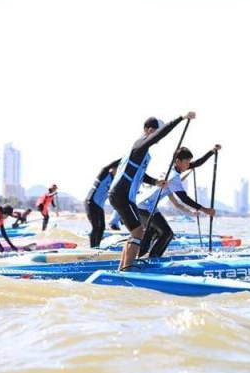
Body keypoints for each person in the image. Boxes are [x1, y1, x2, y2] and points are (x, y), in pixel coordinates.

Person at [108, 112, 195, 271]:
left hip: (126, 196)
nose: (157, 137)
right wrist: (181, 118)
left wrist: (156, 182)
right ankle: (128, 270)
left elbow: (140, 175)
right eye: (155, 131)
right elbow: (159, 135)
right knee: (138, 232)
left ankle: (123, 269)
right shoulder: (140, 145)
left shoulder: (143, 153)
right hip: (121, 194)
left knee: (136, 233)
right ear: (148, 130)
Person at [136, 145, 219, 258]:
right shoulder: (173, 176)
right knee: (167, 233)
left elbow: (196, 163)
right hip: (145, 207)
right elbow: (184, 198)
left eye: (189, 162)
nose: (188, 165)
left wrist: (212, 151)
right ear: (178, 161)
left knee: (153, 231)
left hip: (140, 204)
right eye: (186, 162)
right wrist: (205, 210)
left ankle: (139, 256)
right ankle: (153, 259)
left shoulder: (171, 168)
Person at [85, 159, 121, 248]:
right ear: (113, 168)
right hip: (91, 202)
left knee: (102, 228)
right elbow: (106, 167)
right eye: (117, 169)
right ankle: (92, 247)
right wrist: (124, 158)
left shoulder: (114, 181)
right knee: (96, 227)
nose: (118, 172)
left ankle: (97, 246)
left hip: (99, 206)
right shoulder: (104, 174)